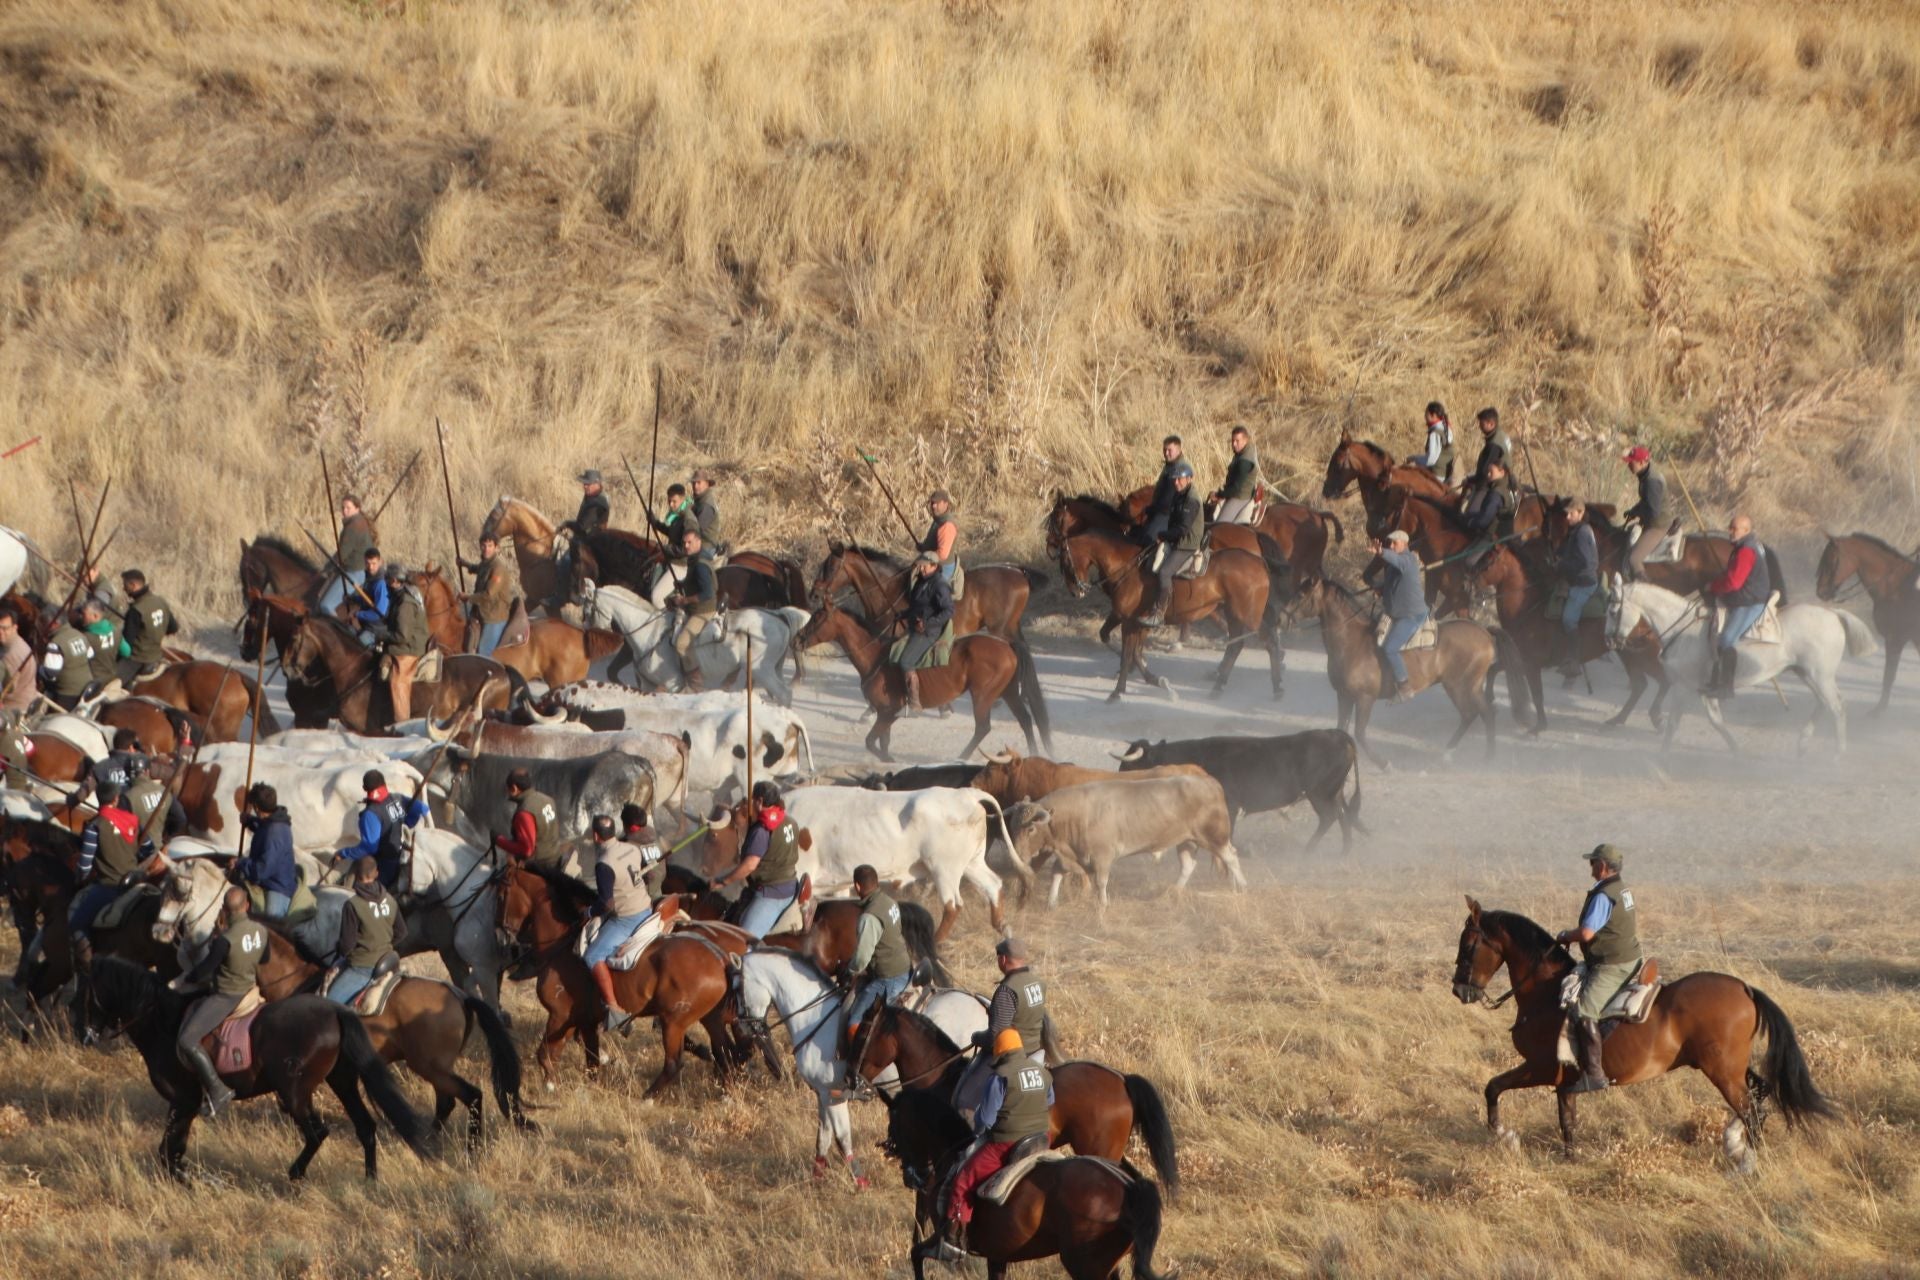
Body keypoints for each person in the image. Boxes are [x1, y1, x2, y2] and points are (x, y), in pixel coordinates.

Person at [935, 1027, 1054, 1261]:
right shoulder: (1042, 1071)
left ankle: (954, 1239)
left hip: (1006, 1143)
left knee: (963, 1179)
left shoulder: (1001, 1075)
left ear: (999, 1051)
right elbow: (1050, 1100)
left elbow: (985, 1120)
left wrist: (976, 1131)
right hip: (1041, 1138)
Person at [172, 886, 267, 1118]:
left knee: (186, 1040)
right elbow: (265, 958)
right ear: (247, 906)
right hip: (251, 988)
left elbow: (205, 971)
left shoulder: (224, 940)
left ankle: (217, 1089)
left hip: (227, 996)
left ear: (224, 909)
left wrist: (188, 977)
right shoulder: (261, 930)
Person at [1553, 844, 1641, 1095]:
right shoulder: (1621, 888)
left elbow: (1587, 933)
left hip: (1613, 964)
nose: (1590, 867)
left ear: (1602, 866)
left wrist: (1564, 935)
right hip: (1628, 956)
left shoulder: (1604, 895)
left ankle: (1594, 1075)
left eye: (1592, 863)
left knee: (1584, 1011)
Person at [582, 814, 662, 1032]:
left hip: (627, 919)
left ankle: (614, 1008)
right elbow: (647, 875)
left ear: (595, 836)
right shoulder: (632, 848)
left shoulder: (603, 863)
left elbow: (606, 904)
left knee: (592, 956)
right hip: (646, 907)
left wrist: (588, 911)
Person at [66, 781, 162, 937]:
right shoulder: (133, 819)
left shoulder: (94, 826)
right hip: (136, 882)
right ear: (116, 799)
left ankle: (87, 957)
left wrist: (78, 879)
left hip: (108, 887)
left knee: (76, 924)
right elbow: (148, 849)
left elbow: (84, 867)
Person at [714, 781, 801, 938]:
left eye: (753, 800)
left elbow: (749, 866)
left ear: (760, 801)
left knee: (743, 941)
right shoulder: (790, 821)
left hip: (772, 893)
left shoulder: (761, 831)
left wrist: (724, 881)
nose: (751, 803)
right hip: (791, 883)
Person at [841, 864, 914, 1039]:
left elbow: (862, 958)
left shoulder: (869, 917)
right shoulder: (889, 902)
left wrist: (849, 971)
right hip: (906, 967)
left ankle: (858, 1065)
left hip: (888, 978)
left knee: (854, 1022)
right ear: (876, 882)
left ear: (857, 886)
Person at [1703, 513, 1771, 698]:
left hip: (1749, 600)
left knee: (1726, 640)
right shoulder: (1744, 546)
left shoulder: (1746, 550)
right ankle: (1715, 680)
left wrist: (1713, 587)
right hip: (1745, 595)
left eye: (1734, 528)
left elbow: (1733, 583)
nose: (1730, 531)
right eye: (1730, 527)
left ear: (1746, 530)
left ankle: (1726, 688)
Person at [327, 856, 406, 1007]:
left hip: (363, 967)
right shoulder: (390, 899)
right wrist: (383, 944)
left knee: (326, 1007)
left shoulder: (353, 905)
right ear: (376, 873)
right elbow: (401, 932)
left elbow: (347, 945)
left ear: (356, 875)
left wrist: (343, 951)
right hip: (389, 962)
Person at [334, 769, 428, 890]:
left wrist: (343, 853)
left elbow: (369, 848)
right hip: (401, 857)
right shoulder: (397, 798)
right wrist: (407, 821)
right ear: (384, 783)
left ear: (364, 788)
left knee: (351, 887)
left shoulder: (370, 814)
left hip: (384, 867)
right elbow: (422, 808)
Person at [1141, 460, 1202, 628]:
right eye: (1174, 479)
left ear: (1189, 479)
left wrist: (1164, 535)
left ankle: (1159, 612)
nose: (1176, 482)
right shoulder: (1179, 494)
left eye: (1180, 479)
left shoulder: (1191, 499)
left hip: (1186, 543)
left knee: (1165, 572)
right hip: (1176, 539)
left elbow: (1182, 529)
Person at [1369, 530, 1427, 703]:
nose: (1392, 546)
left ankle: (1404, 685)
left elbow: (1397, 561)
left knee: (1390, 648)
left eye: (1395, 543)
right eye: (1390, 544)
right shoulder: (1397, 563)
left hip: (1411, 615)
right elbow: (1392, 583)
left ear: (1404, 543)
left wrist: (1381, 552)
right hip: (1396, 612)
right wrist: (1381, 589)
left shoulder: (1408, 559)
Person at [895, 553, 954, 712]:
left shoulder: (939, 585)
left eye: (924, 566)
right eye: (920, 565)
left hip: (928, 632)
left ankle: (915, 703)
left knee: (906, 661)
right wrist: (903, 614)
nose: (920, 568)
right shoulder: (922, 581)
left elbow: (948, 610)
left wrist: (928, 624)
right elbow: (917, 607)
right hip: (916, 627)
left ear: (934, 566)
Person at [667, 527, 720, 692]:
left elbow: (707, 593)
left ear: (698, 542)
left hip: (703, 610)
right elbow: (696, 583)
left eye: (690, 542)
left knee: (681, 644)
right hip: (696, 606)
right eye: (684, 543)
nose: (686, 546)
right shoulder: (696, 559)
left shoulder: (700, 565)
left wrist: (684, 600)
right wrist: (682, 584)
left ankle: (696, 684)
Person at [235, 782, 298, 919]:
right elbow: (263, 828)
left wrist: (240, 863)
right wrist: (250, 821)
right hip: (269, 881)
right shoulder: (272, 822)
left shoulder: (275, 832)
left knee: (268, 928)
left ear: (257, 807)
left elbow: (261, 870)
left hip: (277, 888)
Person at [377, 564, 429, 724]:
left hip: (410, 647)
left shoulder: (405, 603)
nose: (385, 583)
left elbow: (402, 636)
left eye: (387, 580)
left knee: (398, 681)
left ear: (394, 581)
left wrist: (380, 635)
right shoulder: (400, 596)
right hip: (406, 642)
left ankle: (402, 723)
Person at [1555, 499, 1599, 677]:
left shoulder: (1582, 532)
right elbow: (1564, 552)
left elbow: (1585, 562)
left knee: (1568, 619)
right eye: (1567, 513)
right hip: (1575, 579)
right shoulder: (1575, 531)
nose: (1567, 516)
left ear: (1581, 513)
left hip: (1584, 582)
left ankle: (1575, 661)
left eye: (1571, 513)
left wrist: (1562, 565)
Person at [494, 767, 564, 871]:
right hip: (555, 856)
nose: (507, 792)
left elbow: (526, 850)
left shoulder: (524, 812)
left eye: (508, 789)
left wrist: (498, 840)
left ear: (514, 788)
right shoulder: (548, 799)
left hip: (540, 864)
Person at [320, 495, 380, 614]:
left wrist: (326, 569)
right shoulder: (359, 522)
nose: (344, 511)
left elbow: (342, 555)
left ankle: (335, 631)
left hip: (354, 572)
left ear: (357, 509)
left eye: (348, 508)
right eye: (343, 508)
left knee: (326, 605)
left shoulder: (353, 527)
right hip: (357, 570)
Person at [458, 533, 513, 657]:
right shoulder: (486, 563)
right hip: (482, 612)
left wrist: (468, 598)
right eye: (483, 546)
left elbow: (488, 594)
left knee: (484, 653)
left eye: (490, 546)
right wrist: (465, 564)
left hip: (494, 616)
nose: (486, 549)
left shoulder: (498, 568)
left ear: (496, 548)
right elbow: (480, 569)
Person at [117, 570, 178, 682]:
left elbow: (126, 645)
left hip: (138, 659)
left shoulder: (136, 610)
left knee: (110, 683)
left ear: (133, 585)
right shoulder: (161, 601)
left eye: (125, 585)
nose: (123, 589)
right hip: (157, 655)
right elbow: (173, 628)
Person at [1620, 446, 1668, 580]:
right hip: (1653, 521)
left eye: (1632, 462)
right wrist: (1633, 511)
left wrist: (1638, 514)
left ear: (1642, 462)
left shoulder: (1652, 481)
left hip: (1658, 525)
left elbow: (1653, 512)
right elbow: (1645, 501)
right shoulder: (1644, 475)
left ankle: (1644, 587)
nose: (1629, 465)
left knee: (1634, 559)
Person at [41, 608, 96, 710]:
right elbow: (90, 655)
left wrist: (38, 670)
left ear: (55, 624)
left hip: (67, 693)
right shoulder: (79, 634)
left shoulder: (55, 644)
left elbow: (50, 673)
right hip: (87, 686)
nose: (44, 626)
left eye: (44, 623)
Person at [1135, 436, 1186, 546]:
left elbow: (1167, 500)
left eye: (1169, 450)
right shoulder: (1170, 466)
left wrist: (1151, 509)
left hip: (1168, 514)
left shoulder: (1178, 470)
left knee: (1148, 542)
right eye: (1164, 450)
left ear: (1178, 450)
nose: (1166, 453)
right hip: (1161, 511)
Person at [1465, 407, 1517, 503]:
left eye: (1482, 423)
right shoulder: (1500, 434)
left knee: (1471, 513)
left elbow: (1486, 471)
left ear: (1491, 424)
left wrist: (1471, 480)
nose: (1479, 426)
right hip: (1502, 478)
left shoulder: (1495, 444)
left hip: (1494, 483)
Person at [1213, 425, 1261, 525]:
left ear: (1245, 440)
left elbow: (1236, 488)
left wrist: (1219, 494)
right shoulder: (1247, 450)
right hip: (1240, 492)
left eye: (1237, 441)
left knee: (1219, 527)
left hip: (1239, 496)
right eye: (1232, 441)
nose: (1234, 444)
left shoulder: (1245, 461)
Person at [1460, 460, 1511, 547]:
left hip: (1489, 534)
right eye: (1488, 471)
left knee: (1469, 560)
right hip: (1494, 531)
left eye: (1491, 472)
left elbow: (1484, 520)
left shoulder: (1496, 494)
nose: (1488, 475)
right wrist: (1468, 515)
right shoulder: (1504, 487)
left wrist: (1469, 522)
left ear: (1502, 472)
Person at [79, 598, 125, 688]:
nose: (81, 617)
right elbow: (126, 651)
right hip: (112, 676)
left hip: (94, 680)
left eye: (84, 614)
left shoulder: (86, 638)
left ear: (95, 616)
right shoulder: (115, 631)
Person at [918, 490, 961, 586]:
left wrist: (926, 556)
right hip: (932, 562)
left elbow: (942, 554)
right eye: (933, 503)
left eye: (937, 503)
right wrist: (923, 547)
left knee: (930, 592)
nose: (933, 506)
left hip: (943, 567)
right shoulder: (938, 519)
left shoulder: (947, 525)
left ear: (946, 504)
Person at [0, 607, 38, 714]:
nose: (1, 632)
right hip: (29, 699)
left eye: (5, 628)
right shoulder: (21, 643)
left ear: (14, 627)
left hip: (15, 708)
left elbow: (8, 688)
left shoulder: (9, 655)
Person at [350, 548, 392, 644]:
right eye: (367, 563)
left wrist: (357, 614)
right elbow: (368, 599)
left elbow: (378, 613)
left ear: (380, 562)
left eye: (374, 563)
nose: (370, 567)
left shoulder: (381, 584)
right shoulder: (370, 578)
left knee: (357, 645)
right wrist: (353, 599)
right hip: (367, 625)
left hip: (377, 629)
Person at [1414, 401, 1456, 485]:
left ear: (1433, 415)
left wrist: (1414, 459)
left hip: (1438, 474)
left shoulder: (1435, 433)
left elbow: (1431, 460)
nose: (1424, 416)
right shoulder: (1445, 427)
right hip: (1445, 472)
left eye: (1426, 414)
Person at [689, 470, 726, 555]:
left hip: (705, 547)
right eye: (693, 483)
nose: (695, 486)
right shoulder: (699, 500)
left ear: (707, 484)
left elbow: (696, 531)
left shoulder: (706, 505)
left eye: (698, 482)